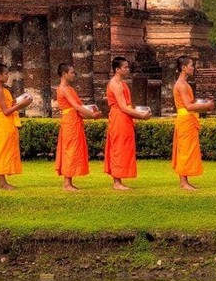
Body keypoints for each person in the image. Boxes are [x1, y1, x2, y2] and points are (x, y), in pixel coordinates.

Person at [104, 56, 151, 190]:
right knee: (118, 148)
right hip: (119, 117)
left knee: (124, 147)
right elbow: (123, 107)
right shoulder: (115, 84)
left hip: (124, 118)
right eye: (125, 67)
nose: (127, 69)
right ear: (117, 69)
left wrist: (136, 112)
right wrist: (141, 115)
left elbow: (127, 104)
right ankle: (117, 182)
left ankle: (119, 180)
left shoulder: (122, 83)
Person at [55, 63, 101, 191]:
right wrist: (92, 115)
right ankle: (67, 183)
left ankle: (69, 181)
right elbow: (76, 107)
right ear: (64, 74)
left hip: (74, 120)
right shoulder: (63, 88)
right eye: (72, 72)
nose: (74, 74)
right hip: (69, 121)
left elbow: (79, 109)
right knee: (70, 150)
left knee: (74, 149)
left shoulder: (70, 88)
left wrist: (92, 114)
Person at [173, 55, 215, 191]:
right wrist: (206, 106)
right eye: (191, 65)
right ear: (184, 68)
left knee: (188, 149)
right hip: (185, 120)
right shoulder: (181, 85)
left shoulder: (185, 84)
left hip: (188, 120)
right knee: (185, 150)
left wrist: (203, 103)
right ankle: (184, 182)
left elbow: (190, 103)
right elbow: (188, 106)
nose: (193, 68)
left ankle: (185, 181)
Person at [0, 63, 31, 190]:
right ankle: (2, 183)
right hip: (4, 121)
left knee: (7, 150)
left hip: (8, 122)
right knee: (2, 150)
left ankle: (3, 182)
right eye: (6, 73)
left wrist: (20, 101)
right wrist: (21, 105)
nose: (8, 76)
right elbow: (6, 111)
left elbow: (9, 105)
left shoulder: (4, 90)